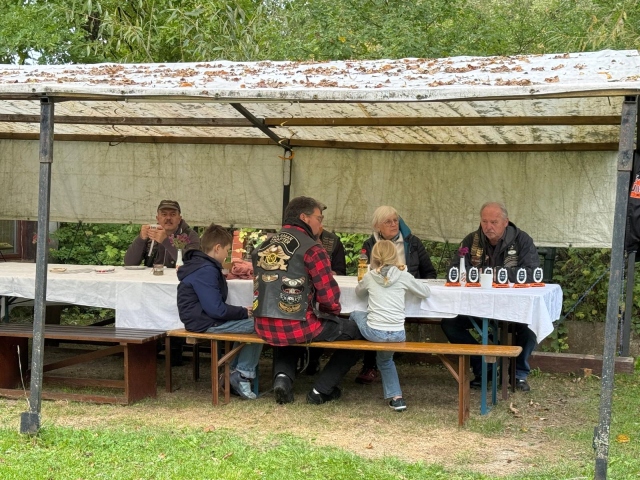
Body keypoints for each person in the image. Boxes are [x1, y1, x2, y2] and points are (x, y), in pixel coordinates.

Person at [251, 195, 362, 405]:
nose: (321, 224)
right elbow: (329, 299)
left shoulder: (263, 247)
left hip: (262, 325)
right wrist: (333, 313)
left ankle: (282, 378)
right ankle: (321, 390)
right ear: (304, 217)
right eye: (319, 218)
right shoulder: (313, 249)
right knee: (358, 332)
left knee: (287, 325)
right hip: (299, 326)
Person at [440, 201, 540, 392]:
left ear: (505, 222)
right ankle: (483, 368)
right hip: (477, 307)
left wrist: (495, 274)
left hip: (512, 307)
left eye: (494, 222)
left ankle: (518, 374)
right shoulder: (471, 240)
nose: (488, 226)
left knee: (530, 324)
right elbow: (454, 270)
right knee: (450, 323)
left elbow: (532, 272)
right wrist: (473, 274)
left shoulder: (522, 240)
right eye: (484, 221)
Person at [177, 224, 261, 399]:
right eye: (227, 251)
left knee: (254, 325)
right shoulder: (206, 270)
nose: (227, 255)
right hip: (204, 322)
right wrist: (242, 312)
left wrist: (241, 312)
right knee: (261, 325)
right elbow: (216, 310)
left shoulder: (201, 266)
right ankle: (241, 374)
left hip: (201, 319)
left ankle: (234, 373)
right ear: (217, 248)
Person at [356, 205, 437, 384]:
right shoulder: (369, 244)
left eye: (396, 220)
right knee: (370, 313)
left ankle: (378, 361)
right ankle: (370, 365)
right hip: (382, 298)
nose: (394, 224)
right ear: (378, 226)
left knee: (363, 315)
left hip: (408, 297)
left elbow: (430, 273)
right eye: (388, 222)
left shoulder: (413, 243)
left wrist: (411, 284)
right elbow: (367, 272)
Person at [350, 240, 430, 412]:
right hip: (397, 333)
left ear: (374, 257)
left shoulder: (370, 276)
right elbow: (425, 292)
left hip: (375, 332)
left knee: (355, 313)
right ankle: (397, 398)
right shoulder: (403, 276)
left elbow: (358, 293)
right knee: (386, 360)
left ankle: (348, 354)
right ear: (395, 256)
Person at [124, 200, 200, 268]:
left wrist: (165, 241)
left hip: (180, 277)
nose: (168, 218)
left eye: (173, 214)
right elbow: (129, 263)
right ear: (158, 218)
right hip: (152, 277)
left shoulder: (190, 235)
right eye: (164, 214)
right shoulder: (151, 233)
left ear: (179, 219)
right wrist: (140, 239)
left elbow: (194, 262)